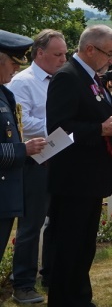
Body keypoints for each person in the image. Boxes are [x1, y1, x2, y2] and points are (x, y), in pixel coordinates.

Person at [46, 25, 112, 307]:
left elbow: (101, 115)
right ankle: (63, 301)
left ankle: (81, 297)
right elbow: (59, 127)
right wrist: (101, 129)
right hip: (73, 178)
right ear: (89, 50)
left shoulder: (92, 78)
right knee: (68, 245)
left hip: (92, 177)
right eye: (109, 54)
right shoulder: (68, 78)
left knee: (84, 246)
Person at [8, 29, 67, 304]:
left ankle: (52, 272)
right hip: (35, 160)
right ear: (40, 53)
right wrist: (57, 127)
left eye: (65, 54)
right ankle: (22, 283)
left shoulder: (60, 79)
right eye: (58, 54)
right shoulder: (23, 82)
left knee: (57, 219)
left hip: (59, 156)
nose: (63, 59)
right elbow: (22, 122)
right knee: (31, 225)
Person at [0, 31, 48, 297]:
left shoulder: (4, 94)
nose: (17, 69)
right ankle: (23, 284)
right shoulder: (15, 88)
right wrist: (23, 150)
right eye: (13, 63)